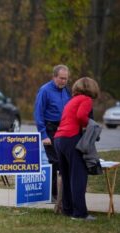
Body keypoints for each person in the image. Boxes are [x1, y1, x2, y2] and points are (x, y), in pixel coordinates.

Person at [54, 77, 100, 221]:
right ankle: (80, 213)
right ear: (91, 88)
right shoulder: (86, 99)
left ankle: (67, 210)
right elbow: (81, 116)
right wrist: (91, 124)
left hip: (59, 139)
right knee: (78, 177)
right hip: (71, 138)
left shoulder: (71, 100)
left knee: (66, 176)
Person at [33, 64, 71, 201]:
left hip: (64, 128)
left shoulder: (66, 90)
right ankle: (53, 194)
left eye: (66, 79)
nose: (64, 81)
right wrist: (43, 134)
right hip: (50, 128)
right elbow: (38, 113)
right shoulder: (45, 90)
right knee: (55, 162)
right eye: (61, 78)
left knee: (64, 161)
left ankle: (63, 193)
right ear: (54, 77)